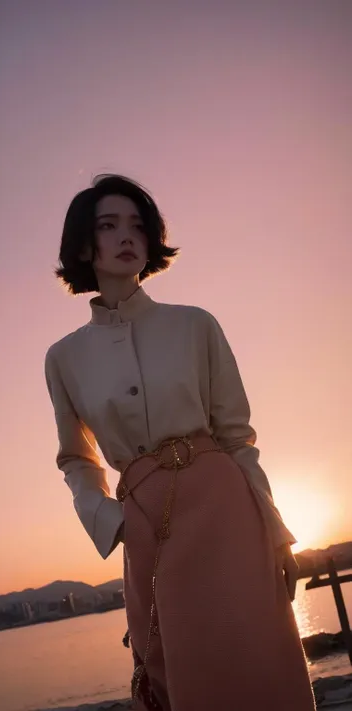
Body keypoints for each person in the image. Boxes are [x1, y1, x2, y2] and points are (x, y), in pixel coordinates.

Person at [44, 174, 316, 711]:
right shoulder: (63, 358)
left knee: (264, 661)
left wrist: (278, 532)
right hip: (146, 523)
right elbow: (77, 460)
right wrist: (112, 521)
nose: (127, 236)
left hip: (228, 510)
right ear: (83, 246)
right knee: (180, 674)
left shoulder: (196, 325)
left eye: (137, 226)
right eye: (108, 225)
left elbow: (238, 440)